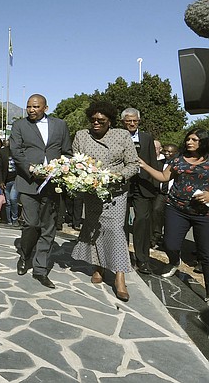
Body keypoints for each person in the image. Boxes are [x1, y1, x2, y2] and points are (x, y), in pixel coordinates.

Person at [70, 101, 139, 302]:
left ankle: (119, 277)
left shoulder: (122, 135)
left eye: (101, 120)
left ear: (110, 121)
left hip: (115, 193)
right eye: (93, 119)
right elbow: (76, 162)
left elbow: (133, 164)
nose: (96, 123)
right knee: (94, 228)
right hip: (92, 192)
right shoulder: (81, 135)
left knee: (116, 231)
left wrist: (118, 177)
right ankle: (98, 266)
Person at [11, 94, 72, 289]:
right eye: (28, 106)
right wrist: (30, 168)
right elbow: (16, 151)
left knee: (48, 227)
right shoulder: (20, 125)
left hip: (52, 184)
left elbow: (67, 152)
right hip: (28, 183)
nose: (31, 110)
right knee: (30, 224)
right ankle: (25, 255)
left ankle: (40, 269)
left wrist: (62, 167)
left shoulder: (60, 125)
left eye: (35, 107)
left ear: (45, 107)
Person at [139, 128, 209, 294]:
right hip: (176, 208)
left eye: (194, 139)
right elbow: (163, 177)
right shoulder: (178, 160)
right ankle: (174, 261)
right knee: (170, 244)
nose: (189, 142)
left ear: (203, 142)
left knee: (206, 254)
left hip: (203, 214)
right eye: (188, 139)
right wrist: (145, 166)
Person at [120, 108, 158, 275]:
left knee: (142, 221)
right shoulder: (116, 136)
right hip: (122, 185)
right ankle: (121, 256)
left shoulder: (147, 138)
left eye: (135, 120)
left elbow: (153, 162)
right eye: (129, 121)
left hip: (142, 186)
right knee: (121, 223)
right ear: (123, 122)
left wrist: (154, 185)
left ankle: (142, 259)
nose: (132, 123)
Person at [152, 143, 178, 249]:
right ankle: (155, 237)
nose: (167, 153)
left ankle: (168, 240)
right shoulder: (160, 163)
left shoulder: (179, 164)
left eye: (170, 151)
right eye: (165, 151)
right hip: (161, 194)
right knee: (156, 211)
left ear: (176, 153)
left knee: (170, 217)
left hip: (173, 194)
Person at [0, 140, 20, 226]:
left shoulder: (18, 151)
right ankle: (8, 220)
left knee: (13, 199)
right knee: (8, 201)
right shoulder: (2, 152)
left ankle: (15, 219)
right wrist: (0, 181)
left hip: (16, 180)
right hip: (6, 180)